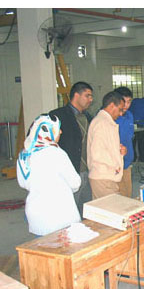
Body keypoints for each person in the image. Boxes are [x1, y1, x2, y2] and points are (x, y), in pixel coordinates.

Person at [17, 114, 82, 236]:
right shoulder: (57, 154)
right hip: (60, 215)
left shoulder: (24, 154)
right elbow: (75, 183)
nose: (61, 132)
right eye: (58, 129)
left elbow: (23, 183)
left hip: (35, 214)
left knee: (43, 245)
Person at [49, 81, 94, 217]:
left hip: (88, 171)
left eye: (91, 96)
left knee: (86, 209)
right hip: (70, 171)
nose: (91, 100)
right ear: (76, 95)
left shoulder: (88, 117)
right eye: (87, 95)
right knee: (69, 211)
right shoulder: (58, 116)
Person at [87, 91, 127, 199]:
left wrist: (120, 151)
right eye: (120, 109)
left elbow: (106, 147)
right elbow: (97, 153)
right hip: (103, 176)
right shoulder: (101, 123)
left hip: (107, 175)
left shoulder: (106, 122)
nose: (121, 114)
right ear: (112, 105)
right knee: (112, 207)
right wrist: (115, 166)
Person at [114, 86, 135, 197]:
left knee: (128, 193)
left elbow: (130, 137)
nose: (126, 105)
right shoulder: (111, 117)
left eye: (129, 102)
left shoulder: (130, 115)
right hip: (115, 163)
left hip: (127, 161)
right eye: (124, 102)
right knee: (119, 195)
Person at [129, 96, 144, 162]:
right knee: (141, 142)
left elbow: (128, 112)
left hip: (132, 124)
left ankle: (133, 158)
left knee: (132, 142)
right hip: (141, 124)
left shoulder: (133, 102)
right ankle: (142, 158)